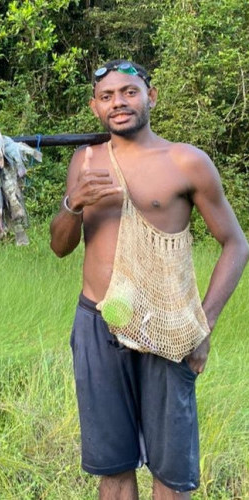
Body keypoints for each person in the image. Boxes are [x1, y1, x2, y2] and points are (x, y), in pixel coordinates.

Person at [49, 59, 248, 499]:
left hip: (166, 324)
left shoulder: (186, 161)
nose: (118, 102)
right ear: (94, 107)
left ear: (150, 96)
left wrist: (203, 324)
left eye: (129, 92)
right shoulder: (85, 160)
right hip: (97, 324)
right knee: (113, 468)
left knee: (171, 472)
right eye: (107, 96)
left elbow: (236, 244)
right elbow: (60, 247)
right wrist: (73, 201)